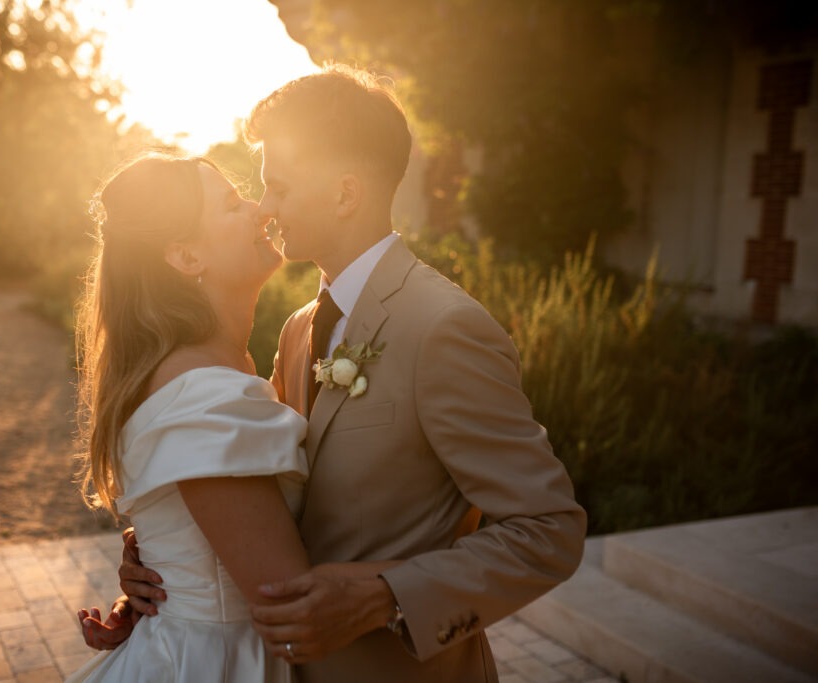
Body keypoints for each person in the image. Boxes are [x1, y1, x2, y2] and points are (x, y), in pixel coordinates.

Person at [91, 65, 587, 682]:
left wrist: (388, 595)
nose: (263, 208)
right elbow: (250, 487)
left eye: (278, 187)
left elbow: (549, 529)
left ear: (345, 194)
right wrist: (166, 558)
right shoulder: (299, 329)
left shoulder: (444, 327)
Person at [65, 153, 394, 683]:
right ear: (187, 255)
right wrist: (442, 571)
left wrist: (163, 569)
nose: (261, 209)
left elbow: (205, 527)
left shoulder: (229, 365)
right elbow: (287, 603)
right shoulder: (202, 397)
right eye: (232, 204)